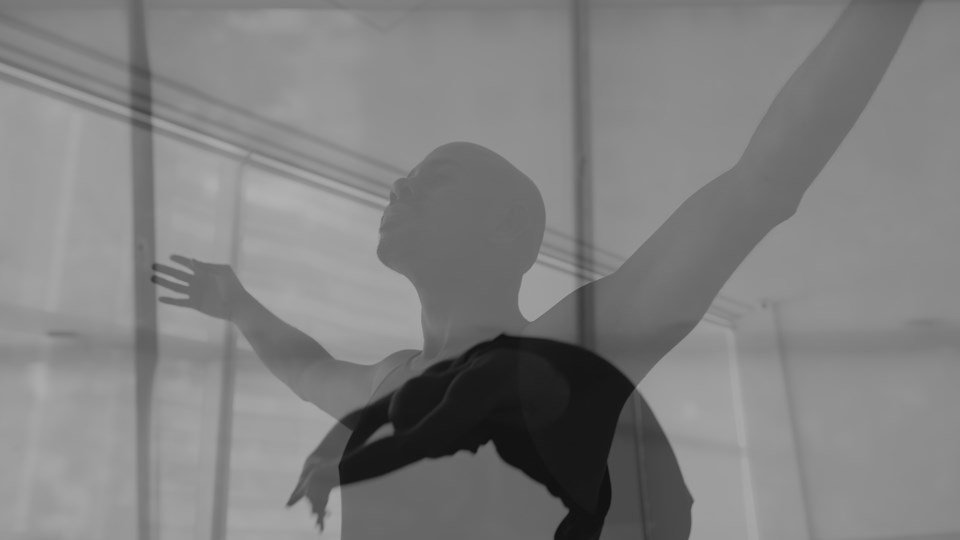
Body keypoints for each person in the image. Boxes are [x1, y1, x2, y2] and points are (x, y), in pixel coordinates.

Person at [151, 1, 921, 537]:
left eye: (435, 178)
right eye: (402, 180)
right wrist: (238, 304)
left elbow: (758, 185)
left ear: (508, 227)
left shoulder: (570, 350)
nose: (399, 188)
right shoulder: (389, 383)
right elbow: (306, 369)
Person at [286, 335, 638, 540]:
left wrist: (332, 475)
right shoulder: (443, 376)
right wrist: (321, 457)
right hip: (543, 410)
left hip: (582, 399)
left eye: (454, 441)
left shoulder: (488, 377)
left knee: (589, 509)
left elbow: (414, 444)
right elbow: (372, 414)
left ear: (447, 412)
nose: (466, 449)